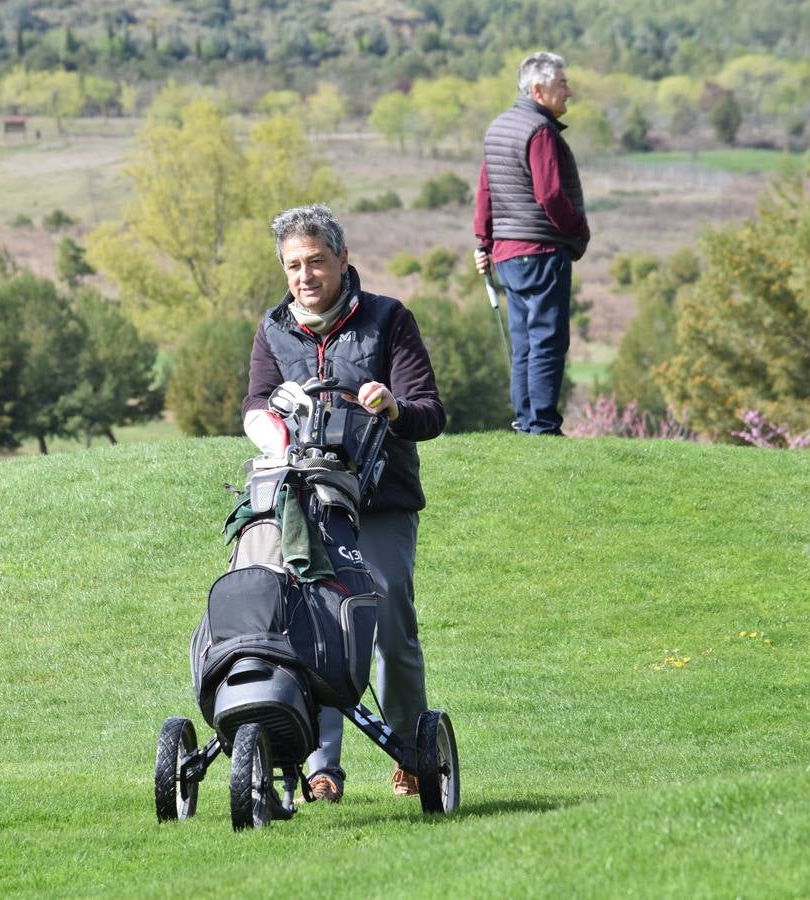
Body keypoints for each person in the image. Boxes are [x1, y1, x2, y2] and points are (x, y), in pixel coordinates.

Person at [243, 204, 446, 802]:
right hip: (307, 501)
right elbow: (256, 403)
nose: (305, 276)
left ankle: (410, 750)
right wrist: (269, 428)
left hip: (381, 501)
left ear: (343, 259)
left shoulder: (388, 320)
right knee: (309, 629)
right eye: (293, 266)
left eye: (317, 262)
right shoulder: (273, 329)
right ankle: (322, 767)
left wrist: (391, 406)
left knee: (387, 626)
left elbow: (429, 413)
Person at [473, 51, 591, 436]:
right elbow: (552, 196)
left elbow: (484, 192)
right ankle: (542, 425)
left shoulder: (499, 127)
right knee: (547, 340)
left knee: (524, 341)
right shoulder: (539, 132)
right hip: (540, 250)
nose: (569, 91)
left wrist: (483, 242)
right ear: (538, 90)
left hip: (507, 254)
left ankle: (526, 421)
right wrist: (578, 230)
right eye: (562, 84)